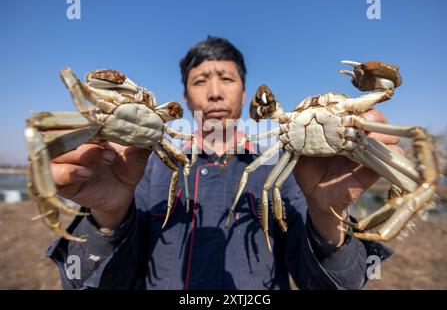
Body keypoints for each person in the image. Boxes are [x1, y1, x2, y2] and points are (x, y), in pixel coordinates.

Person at [47, 36, 397, 289]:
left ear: (246, 95)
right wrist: (106, 220)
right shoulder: (141, 169)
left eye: (227, 79)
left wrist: (326, 213)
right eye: (200, 80)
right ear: (184, 97)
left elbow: (340, 283)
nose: (215, 92)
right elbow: (84, 282)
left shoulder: (288, 171)